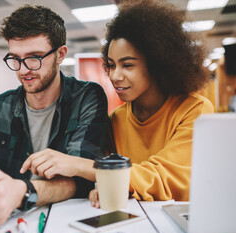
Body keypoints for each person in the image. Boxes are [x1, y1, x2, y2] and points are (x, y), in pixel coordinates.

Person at [21, 0, 214, 205]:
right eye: (111, 65)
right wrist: (107, 187)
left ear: (158, 64)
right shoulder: (117, 119)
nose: (115, 76)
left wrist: (80, 165)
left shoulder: (195, 110)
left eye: (127, 65)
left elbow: (163, 177)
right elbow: (124, 181)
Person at [0, 4, 109, 229]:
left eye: (34, 58)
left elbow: (81, 180)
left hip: (67, 222)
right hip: (10, 222)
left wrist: (22, 192)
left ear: (60, 55)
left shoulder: (87, 97)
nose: (23, 70)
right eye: (15, 59)